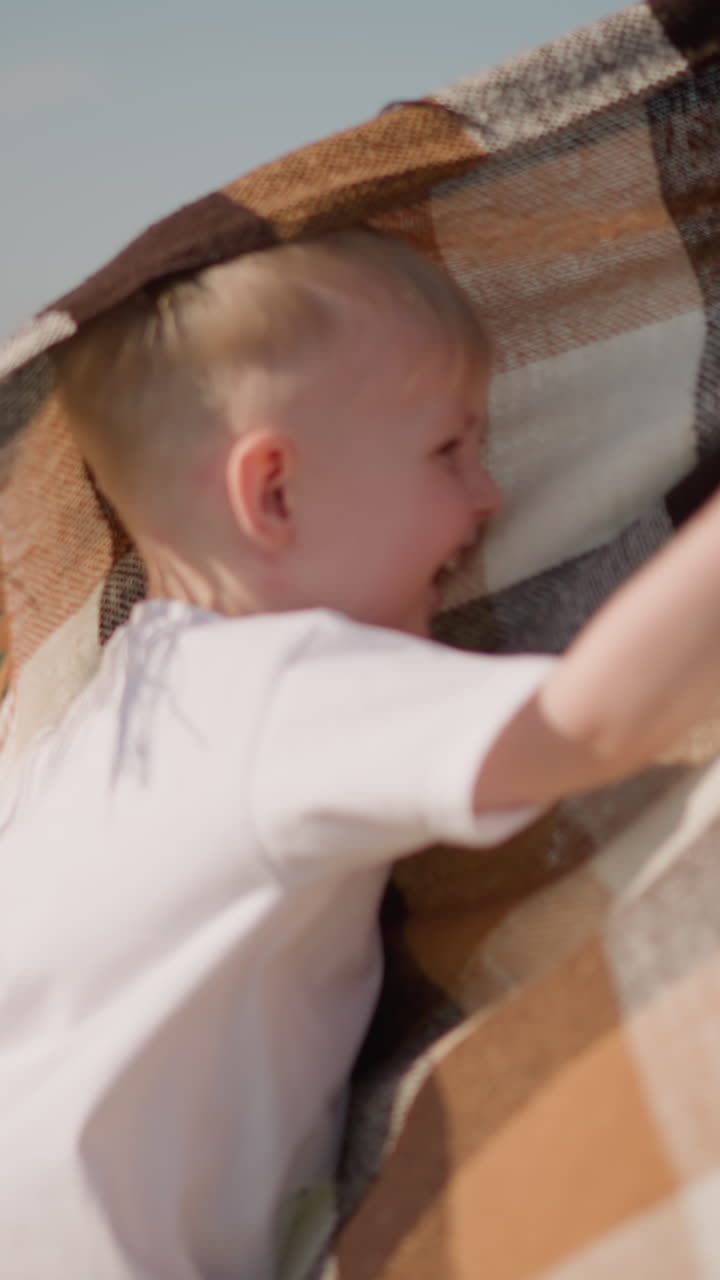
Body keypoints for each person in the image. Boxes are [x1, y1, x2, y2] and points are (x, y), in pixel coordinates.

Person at [1, 227, 720, 1280]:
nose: (489, 497)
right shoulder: (285, 686)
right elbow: (588, 724)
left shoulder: (102, 720)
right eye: (448, 450)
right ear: (275, 493)